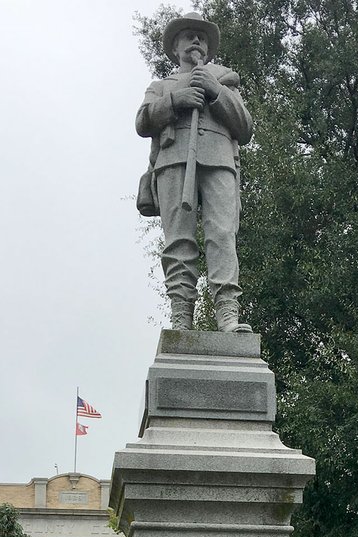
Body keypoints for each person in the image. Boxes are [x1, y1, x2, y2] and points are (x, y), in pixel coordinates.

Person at [136, 11, 253, 333]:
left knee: (222, 236)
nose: (197, 40)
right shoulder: (162, 86)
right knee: (178, 242)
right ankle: (181, 316)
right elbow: (142, 122)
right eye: (189, 35)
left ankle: (228, 315)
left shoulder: (225, 79)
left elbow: (244, 127)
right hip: (173, 162)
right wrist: (175, 101)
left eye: (201, 36)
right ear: (176, 48)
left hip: (218, 161)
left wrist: (215, 91)